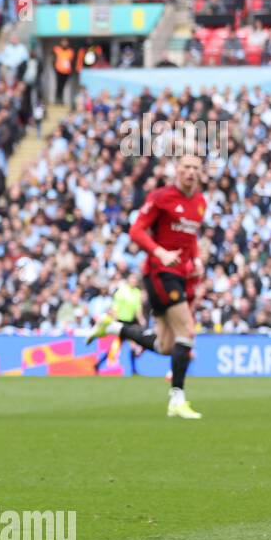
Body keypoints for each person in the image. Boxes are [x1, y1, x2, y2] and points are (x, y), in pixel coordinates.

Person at [88, 153, 206, 419]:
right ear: (177, 169)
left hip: (181, 274)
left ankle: (114, 327)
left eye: (195, 168)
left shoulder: (199, 202)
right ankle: (177, 398)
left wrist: (196, 258)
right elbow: (136, 230)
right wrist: (160, 252)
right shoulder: (161, 197)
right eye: (186, 167)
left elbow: (191, 236)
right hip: (160, 273)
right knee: (187, 329)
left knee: (166, 345)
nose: (190, 172)